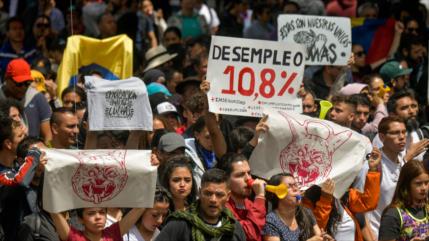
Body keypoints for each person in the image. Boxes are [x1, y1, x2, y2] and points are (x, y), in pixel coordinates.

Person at [155, 168, 247, 241]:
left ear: (228, 196)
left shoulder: (234, 229)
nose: (213, 200)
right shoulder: (180, 225)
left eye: (219, 195)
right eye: (208, 193)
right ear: (199, 193)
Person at [354, 117, 408, 238]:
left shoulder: (403, 164)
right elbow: (360, 207)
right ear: (382, 137)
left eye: (404, 132)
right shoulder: (371, 167)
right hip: (376, 234)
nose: (402, 136)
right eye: (395, 133)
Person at [0, 113, 45, 241]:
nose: (26, 139)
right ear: (8, 143)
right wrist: (35, 153)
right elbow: (21, 180)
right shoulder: (3, 173)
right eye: (21, 136)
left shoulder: (18, 166)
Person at [263, 173, 327, 241]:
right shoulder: (271, 221)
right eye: (289, 186)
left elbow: (318, 235)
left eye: (296, 185)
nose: (296, 189)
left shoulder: (306, 212)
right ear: (277, 193)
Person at [0, 58, 52, 141]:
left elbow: (48, 137)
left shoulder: (37, 97)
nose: (23, 88)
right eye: (19, 83)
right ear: (7, 79)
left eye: (27, 83)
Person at [379, 160, 429, 241]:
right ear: (406, 184)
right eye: (418, 183)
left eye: (426, 183)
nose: (424, 188)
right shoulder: (393, 215)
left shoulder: (427, 208)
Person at [221, 153, 266, 241]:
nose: (248, 179)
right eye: (240, 175)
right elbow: (249, 235)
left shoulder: (250, 204)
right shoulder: (222, 207)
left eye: (249, 173)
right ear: (226, 180)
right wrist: (260, 196)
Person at [49, 207, 146, 241]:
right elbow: (51, 208)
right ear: (80, 219)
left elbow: (141, 207)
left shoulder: (114, 234)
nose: (98, 217)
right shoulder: (74, 237)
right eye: (91, 213)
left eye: (102, 212)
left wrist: (152, 169)